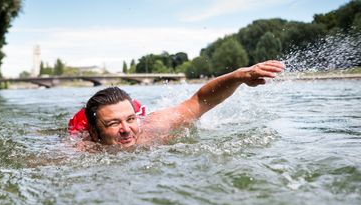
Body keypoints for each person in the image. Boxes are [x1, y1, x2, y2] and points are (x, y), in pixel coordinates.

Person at [72, 60, 284, 148]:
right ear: (95, 133)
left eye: (130, 119)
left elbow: (200, 101)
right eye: (113, 124)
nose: (126, 130)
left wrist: (239, 76)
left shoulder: (152, 128)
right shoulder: (85, 148)